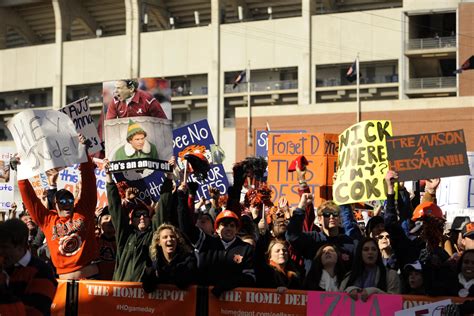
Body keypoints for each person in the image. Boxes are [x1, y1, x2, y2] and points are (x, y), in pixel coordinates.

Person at [17, 135, 100, 280]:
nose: (66, 202)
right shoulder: (48, 219)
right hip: (62, 285)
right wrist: (20, 172)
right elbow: (30, 199)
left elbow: (88, 183)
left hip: (90, 281)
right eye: (62, 200)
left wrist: (83, 153)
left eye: (69, 199)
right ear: (55, 204)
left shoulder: (84, 212)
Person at [104, 158, 173, 281]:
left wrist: (168, 177)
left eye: (145, 215)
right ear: (132, 220)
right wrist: (109, 178)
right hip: (120, 293)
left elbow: (163, 207)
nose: (142, 217)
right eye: (138, 215)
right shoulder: (125, 235)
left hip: (144, 295)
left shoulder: (154, 235)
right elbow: (116, 210)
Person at [0, 219, 57, 315]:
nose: (1, 252)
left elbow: (34, 312)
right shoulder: (5, 267)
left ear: (21, 246)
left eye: (5, 247)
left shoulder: (42, 271)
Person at [142, 224, 197, 293]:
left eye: (172, 236)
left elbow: (183, 284)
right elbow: (148, 288)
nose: (169, 239)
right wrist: (148, 270)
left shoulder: (188, 259)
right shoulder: (155, 262)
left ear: (177, 240)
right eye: (165, 237)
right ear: (159, 242)